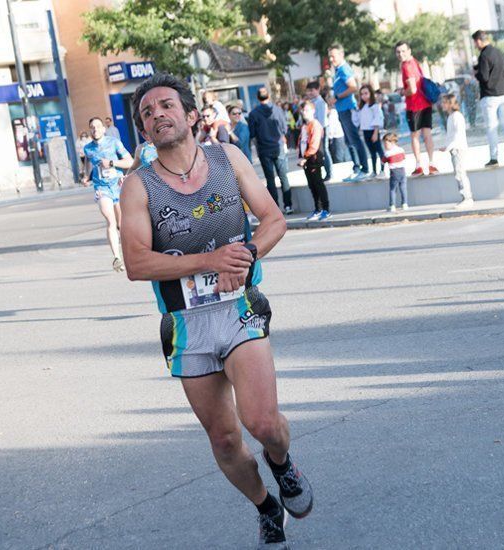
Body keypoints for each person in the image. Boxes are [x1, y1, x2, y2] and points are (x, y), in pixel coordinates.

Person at [120, 72, 314, 549]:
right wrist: (210, 260)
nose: (156, 115)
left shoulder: (228, 158)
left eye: (165, 105)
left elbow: (273, 220)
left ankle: (282, 464)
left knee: (264, 423)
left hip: (239, 306)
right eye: (147, 113)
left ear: (190, 115)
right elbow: (136, 262)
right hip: (185, 322)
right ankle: (266, 507)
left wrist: (244, 256)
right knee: (225, 440)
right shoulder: (137, 186)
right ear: (145, 132)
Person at [81, 117, 134, 271]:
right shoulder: (88, 148)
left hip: (117, 186)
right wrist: (86, 177)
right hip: (101, 188)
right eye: (92, 127)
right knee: (110, 221)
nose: (95, 129)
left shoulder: (114, 142)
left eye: (98, 126)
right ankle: (117, 258)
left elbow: (130, 161)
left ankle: (129, 255)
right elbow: (88, 165)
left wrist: (112, 163)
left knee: (121, 224)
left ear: (104, 129)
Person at [472, 30, 504, 167]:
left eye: (475, 43)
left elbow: (484, 77)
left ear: (479, 41)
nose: (475, 45)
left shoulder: (484, 55)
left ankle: (494, 158)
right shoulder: (498, 52)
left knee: (491, 127)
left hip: (490, 96)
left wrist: (476, 73)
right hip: (503, 93)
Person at [395, 41, 439, 176]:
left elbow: (412, 89)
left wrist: (402, 92)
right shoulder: (414, 61)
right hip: (426, 103)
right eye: (398, 52)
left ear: (409, 51)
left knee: (415, 136)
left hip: (414, 106)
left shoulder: (406, 66)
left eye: (403, 51)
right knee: (427, 135)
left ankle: (419, 166)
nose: (400, 54)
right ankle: (432, 164)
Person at [328, 45, 370, 182]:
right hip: (341, 110)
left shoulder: (344, 69)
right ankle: (356, 168)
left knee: (355, 140)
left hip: (347, 109)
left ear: (341, 55)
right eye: (330, 56)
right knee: (349, 141)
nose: (331, 59)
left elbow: (353, 87)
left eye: (333, 56)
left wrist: (338, 97)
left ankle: (364, 169)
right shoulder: (337, 70)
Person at [248, 88, 293, 214]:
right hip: (278, 146)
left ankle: (275, 207)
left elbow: (252, 133)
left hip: (264, 149)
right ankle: (288, 205)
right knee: (283, 177)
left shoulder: (254, 113)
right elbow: (285, 128)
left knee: (270, 179)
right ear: (269, 96)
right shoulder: (278, 110)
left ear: (257, 98)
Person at [439, 93, 474, 208]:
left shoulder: (456, 116)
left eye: (444, 102)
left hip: (458, 149)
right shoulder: (451, 117)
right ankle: (465, 197)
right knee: (458, 173)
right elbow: (451, 135)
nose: (442, 105)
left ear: (450, 104)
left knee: (460, 173)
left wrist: (449, 146)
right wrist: (446, 146)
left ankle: (467, 198)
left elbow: (458, 135)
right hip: (454, 149)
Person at [298, 100, 330, 221]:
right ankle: (318, 209)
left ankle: (325, 209)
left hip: (313, 159)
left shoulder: (315, 124)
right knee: (312, 185)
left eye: (307, 110)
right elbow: (302, 142)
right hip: (306, 160)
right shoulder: (305, 125)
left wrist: (305, 157)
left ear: (313, 111)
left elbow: (314, 144)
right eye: (303, 110)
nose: (304, 112)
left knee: (318, 184)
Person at [303, 81, 334, 181]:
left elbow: (321, 120)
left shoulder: (320, 102)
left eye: (312, 90)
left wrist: (319, 132)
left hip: (321, 128)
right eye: (308, 91)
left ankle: (329, 173)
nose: (310, 93)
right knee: (320, 152)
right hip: (316, 129)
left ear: (318, 90)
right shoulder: (312, 102)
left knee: (324, 150)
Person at [358, 84, 386, 177]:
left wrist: (375, 132)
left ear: (370, 93)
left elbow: (377, 118)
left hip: (373, 131)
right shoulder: (363, 107)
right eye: (362, 94)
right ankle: (374, 171)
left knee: (379, 151)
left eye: (366, 93)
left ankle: (382, 170)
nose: (364, 96)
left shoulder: (375, 106)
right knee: (372, 152)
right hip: (366, 132)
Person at [381, 133, 408, 212]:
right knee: (403, 188)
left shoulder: (388, 153)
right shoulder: (401, 150)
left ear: (392, 142)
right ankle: (404, 204)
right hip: (402, 171)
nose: (385, 146)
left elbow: (383, 162)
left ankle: (392, 205)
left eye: (386, 144)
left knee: (393, 189)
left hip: (394, 172)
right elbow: (404, 158)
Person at [326, 96, 350, 164]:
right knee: (339, 155)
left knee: (338, 157)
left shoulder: (333, 111)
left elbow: (332, 124)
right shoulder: (333, 111)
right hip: (337, 135)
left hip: (337, 135)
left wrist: (330, 136)